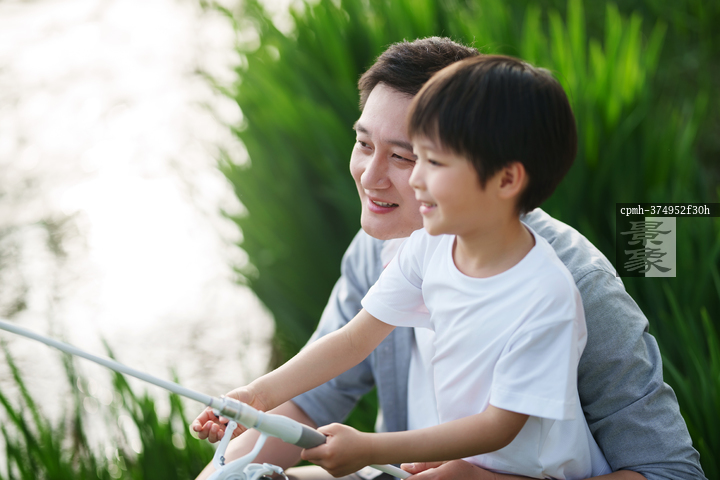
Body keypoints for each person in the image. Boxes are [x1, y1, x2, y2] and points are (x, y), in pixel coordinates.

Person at [193, 37, 705, 480]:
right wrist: (250, 407)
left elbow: (672, 471)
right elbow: (320, 385)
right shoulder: (389, 246)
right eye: (363, 143)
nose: (371, 176)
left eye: (409, 157)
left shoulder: (572, 286)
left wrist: (476, 476)